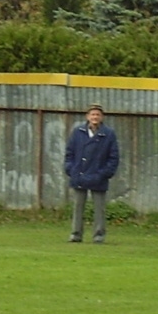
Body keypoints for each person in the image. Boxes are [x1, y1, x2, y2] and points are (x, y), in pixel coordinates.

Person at [64, 103, 120, 244]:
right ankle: (76, 234)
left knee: (99, 209)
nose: (95, 117)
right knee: (78, 208)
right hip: (79, 175)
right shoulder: (78, 132)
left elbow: (113, 157)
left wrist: (104, 173)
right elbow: (69, 153)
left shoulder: (108, 134)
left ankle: (99, 235)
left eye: (98, 115)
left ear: (102, 117)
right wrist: (70, 169)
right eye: (92, 114)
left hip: (98, 176)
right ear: (87, 116)